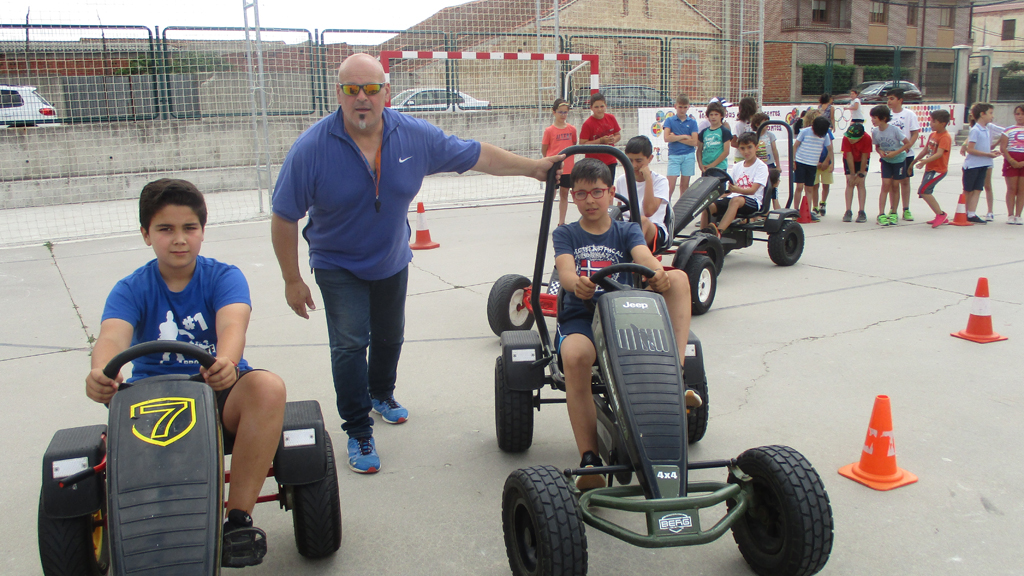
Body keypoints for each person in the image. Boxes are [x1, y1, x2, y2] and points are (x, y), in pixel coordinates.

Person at [270, 53, 561, 475]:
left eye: (371, 88)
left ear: (387, 92)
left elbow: (476, 155)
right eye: (352, 90)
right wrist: (292, 279)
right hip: (337, 263)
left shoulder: (413, 136)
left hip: (391, 258)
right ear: (339, 94)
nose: (362, 98)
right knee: (351, 343)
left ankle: (381, 394)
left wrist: (532, 168)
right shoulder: (311, 149)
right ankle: (357, 429)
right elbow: (283, 215)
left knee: (390, 336)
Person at [86, 179, 287, 568]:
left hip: (217, 391)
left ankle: (237, 521)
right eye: (165, 229)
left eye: (189, 228)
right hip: (153, 398)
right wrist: (100, 372)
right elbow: (112, 336)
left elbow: (233, 325)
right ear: (146, 234)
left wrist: (224, 363)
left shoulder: (223, 277)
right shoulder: (131, 288)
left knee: (267, 387)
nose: (179, 239)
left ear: (202, 232)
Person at [552, 158, 695, 491]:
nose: (590, 200)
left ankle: (677, 378)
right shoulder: (566, 234)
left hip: (625, 316)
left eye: (597, 192)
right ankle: (589, 460)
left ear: (611, 193)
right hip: (582, 317)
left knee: (681, 280)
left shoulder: (627, 229)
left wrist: (656, 272)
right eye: (582, 194)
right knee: (574, 356)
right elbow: (565, 271)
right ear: (573, 197)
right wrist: (577, 284)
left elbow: (643, 256)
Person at [699, 133, 769, 235]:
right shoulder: (737, 166)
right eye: (742, 148)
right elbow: (730, 189)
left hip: (752, 200)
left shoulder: (761, 167)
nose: (746, 151)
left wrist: (737, 190)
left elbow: (753, 190)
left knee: (735, 200)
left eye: (749, 147)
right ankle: (703, 234)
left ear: (756, 147)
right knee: (707, 205)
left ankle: (719, 232)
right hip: (735, 197)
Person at [615, 136, 672, 252]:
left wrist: (648, 179)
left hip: (654, 229)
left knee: (642, 221)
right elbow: (618, 210)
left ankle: (634, 259)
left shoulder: (660, 181)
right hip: (627, 226)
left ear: (650, 158)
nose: (634, 165)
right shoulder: (622, 180)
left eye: (639, 161)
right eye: (630, 160)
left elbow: (648, 211)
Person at [871, 104, 912, 226]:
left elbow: (907, 144)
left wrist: (895, 153)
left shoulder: (894, 130)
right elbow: (877, 146)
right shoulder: (875, 132)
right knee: (885, 185)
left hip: (899, 161)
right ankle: (881, 213)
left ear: (883, 118)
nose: (872, 120)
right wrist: (880, 152)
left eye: (875, 118)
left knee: (895, 186)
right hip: (886, 161)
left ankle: (893, 212)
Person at [960, 102, 1001, 224]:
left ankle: (971, 213)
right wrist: (988, 154)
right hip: (972, 165)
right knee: (968, 190)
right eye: (990, 113)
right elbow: (971, 149)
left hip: (983, 164)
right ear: (982, 114)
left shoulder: (986, 129)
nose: (992, 116)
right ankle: (963, 212)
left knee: (978, 189)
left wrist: (991, 152)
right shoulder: (975, 130)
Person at [913, 109, 953, 228]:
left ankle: (941, 214)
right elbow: (926, 150)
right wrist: (914, 161)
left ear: (943, 123)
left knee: (924, 190)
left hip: (938, 170)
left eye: (934, 121)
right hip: (930, 168)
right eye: (931, 120)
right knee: (924, 191)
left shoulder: (945, 137)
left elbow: (939, 153)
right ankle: (940, 215)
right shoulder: (933, 135)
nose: (931, 123)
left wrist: (925, 161)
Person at [542, 97, 578, 226]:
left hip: (568, 168)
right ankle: (546, 220)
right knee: (551, 193)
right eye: (560, 112)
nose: (563, 115)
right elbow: (545, 149)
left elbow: (574, 143)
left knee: (565, 194)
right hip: (554, 167)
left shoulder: (572, 129)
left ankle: (561, 222)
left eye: (565, 112)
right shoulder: (549, 131)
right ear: (554, 112)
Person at [886, 89, 921, 221]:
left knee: (905, 181)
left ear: (900, 100)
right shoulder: (886, 115)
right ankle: (892, 208)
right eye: (888, 98)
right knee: (891, 183)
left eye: (892, 98)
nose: (889, 101)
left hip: (906, 154)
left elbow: (915, 132)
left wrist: (908, 146)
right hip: (891, 154)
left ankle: (906, 209)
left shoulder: (909, 114)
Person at [792, 112, 830, 222]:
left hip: (812, 164)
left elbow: (830, 149)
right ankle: (795, 210)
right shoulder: (805, 131)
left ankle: (807, 211)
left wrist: (827, 161)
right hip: (800, 161)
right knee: (799, 187)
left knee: (809, 188)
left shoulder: (825, 135)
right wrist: (793, 160)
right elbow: (795, 146)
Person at [662, 93, 700, 198]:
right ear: (675, 106)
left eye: (684, 107)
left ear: (688, 107)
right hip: (674, 155)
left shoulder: (692, 122)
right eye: (680, 107)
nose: (682, 110)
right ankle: (666, 208)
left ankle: (681, 210)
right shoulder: (669, 120)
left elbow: (694, 142)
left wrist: (676, 137)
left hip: (688, 155)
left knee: (684, 185)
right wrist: (684, 136)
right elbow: (667, 138)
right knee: (670, 185)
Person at [579, 91, 622, 180]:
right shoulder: (588, 124)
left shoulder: (611, 118)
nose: (599, 109)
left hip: (610, 160)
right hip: (593, 163)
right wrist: (600, 141)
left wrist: (613, 139)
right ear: (591, 108)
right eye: (596, 107)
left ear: (605, 106)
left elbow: (618, 135)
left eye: (602, 106)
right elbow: (582, 144)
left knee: (608, 187)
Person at [841, 122, 871, 223]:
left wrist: (861, 173)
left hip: (861, 159)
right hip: (850, 159)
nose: (850, 139)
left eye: (853, 138)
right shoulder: (846, 138)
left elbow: (864, 156)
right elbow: (848, 156)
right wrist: (853, 175)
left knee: (861, 183)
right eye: (849, 137)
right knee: (850, 182)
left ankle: (862, 211)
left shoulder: (867, 138)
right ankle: (848, 210)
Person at [999, 104, 1024, 224]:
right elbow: (1003, 147)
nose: (1020, 117)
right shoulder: (1008, 130)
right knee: (1012, 188)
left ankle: (1018, 215)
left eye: (1022, 114)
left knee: (1021, 190)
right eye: (1017, 114)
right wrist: (1011, 160)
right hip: (1011, 160)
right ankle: (1010, 214)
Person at [751, 112, 782, 209]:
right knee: (761, 188)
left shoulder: (770, 135)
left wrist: (778, 165)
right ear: (757, 124)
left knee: (773, 187)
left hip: (770, 164)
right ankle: (762, 209)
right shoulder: (754, 136)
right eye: (765, 122)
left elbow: (774, 150)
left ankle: (776, 207)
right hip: (759, 165)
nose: (767, 124)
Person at [697, 101, 732, 174]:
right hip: (706, 167)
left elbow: (726, 151)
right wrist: (701, 165)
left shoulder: (724, 131)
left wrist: (712, 165)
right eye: (711, 114)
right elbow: (699, 150)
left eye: (716, 114)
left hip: (720, 168)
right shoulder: (704, 132)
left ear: (721, 115)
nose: (713, 117)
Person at [731, 97, 758, 163]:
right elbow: (733, 143)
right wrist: (745, 147)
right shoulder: (740, 124)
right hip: (740, 158)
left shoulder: (756, 122)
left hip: (754, 157)